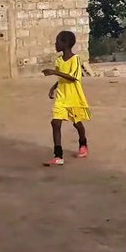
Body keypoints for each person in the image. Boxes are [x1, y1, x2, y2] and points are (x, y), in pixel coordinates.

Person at [42, 30, 90, 166]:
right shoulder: (59, 60)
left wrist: (53, 72)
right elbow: (62, 77)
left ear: (65, 43)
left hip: (74, 97)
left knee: (77, 123)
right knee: (55, 123)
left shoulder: (76, 59)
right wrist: (54, 87)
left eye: (57, 41)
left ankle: (83, 143)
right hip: (62, 96)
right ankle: (58, 155)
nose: (55, 44)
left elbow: (73, 76)